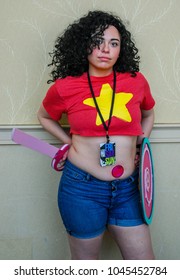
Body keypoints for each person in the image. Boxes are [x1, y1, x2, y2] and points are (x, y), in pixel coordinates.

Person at [37, 10, 155, 260]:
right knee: (86, 269)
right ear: (84, 45)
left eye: (114, 43)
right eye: (97, 41)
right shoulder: (65, 86)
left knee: (146, 268)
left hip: (128, 189)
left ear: (121, 49)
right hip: (81, 189)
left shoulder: (136, 81)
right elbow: (45, 117)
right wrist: (69, 143)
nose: (105, 49)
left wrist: (139, 147)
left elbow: (148, 114)